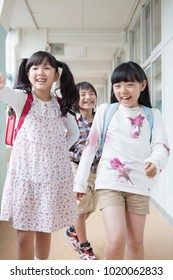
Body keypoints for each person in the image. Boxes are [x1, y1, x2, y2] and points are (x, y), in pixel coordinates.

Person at [73, 61, 170, 260]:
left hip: (140, 184)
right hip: (109, 182)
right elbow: (90, 147)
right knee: (117, 239)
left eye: (129, 84)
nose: (123, 91)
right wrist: (80, 182)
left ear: (142, 86)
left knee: (135, 242)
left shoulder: (153, 115)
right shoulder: (106, 111)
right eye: (117, 86)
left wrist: (156, 162)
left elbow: (162, 146)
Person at [0, 51, 80, 260]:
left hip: (50, 179)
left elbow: (75, 133)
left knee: (45, 230)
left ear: (56, 75)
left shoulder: (61, 104)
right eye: (34, 68)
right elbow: (4, 93)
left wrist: (57, 151)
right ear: (28, 74)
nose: (40, 72)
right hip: (25, 176)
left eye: (46, 67)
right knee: (24, 234)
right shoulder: (22, 98)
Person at [66, 81, 99, 260]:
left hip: (96, 168)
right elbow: (67, 145)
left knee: (90, 208)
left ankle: (72, 231)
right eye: (83, 95)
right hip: (77, 166)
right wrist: (86, 151)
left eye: (91, 93)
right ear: (75, 100)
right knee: (81, 207)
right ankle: (84, 246)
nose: (88, 97)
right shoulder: (72, 120)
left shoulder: (101, 118)